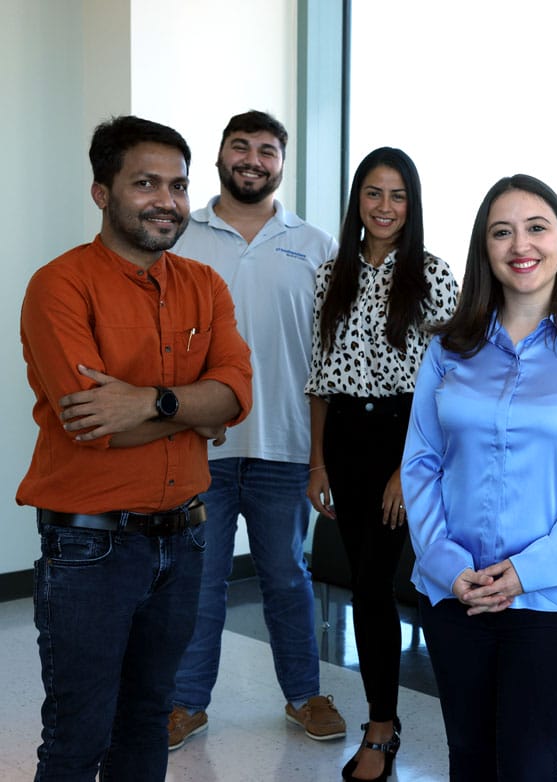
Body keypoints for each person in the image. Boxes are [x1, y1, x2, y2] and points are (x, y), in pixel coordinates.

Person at [17, 115, 253, 780]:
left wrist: (153, 401)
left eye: (178, 186)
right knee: (78, 735)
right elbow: (96, 424)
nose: (167, 201)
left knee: (148, 719)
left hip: (184, 541)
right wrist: (193, 407)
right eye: (145, 183)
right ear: (102, 192)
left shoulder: (204, 286)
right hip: (91, 550)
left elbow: (237, 394)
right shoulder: (59, 286)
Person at [402, 174, 557, 780]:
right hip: (459, 591)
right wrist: (446, 564)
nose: (519, 244)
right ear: (485, 249)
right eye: (501, 232)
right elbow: (420, 462)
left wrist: (529, 571)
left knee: (529, 766)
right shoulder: (447, 349)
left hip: (550, 597)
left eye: (535, 228)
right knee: (469, 760)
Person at [167, 110, 345, 751]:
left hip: (285, 445)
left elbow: (331, 359)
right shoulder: (182, 234)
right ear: (219, 156)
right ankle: (185, 702)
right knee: (201, 583)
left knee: (287, 578)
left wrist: (323, 456)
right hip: (199, 443)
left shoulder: (317, 244)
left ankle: (304, 695)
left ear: (281, 163)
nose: (252, 159)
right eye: (239, 147)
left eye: (266, 150)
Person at [306, 147, 458, 781]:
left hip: (408, 437)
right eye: (374, 193)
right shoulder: (329, 272)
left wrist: (408, 468)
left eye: (398, 195)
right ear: (357, 200)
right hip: (343, 436)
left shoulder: (433, 274)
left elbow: (449, 381)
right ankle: (383, 717)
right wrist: (317, 462)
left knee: (372, 585)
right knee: (366, 587)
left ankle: (382, 727)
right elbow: (319, 375)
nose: (386, 206)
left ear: (412, 204)